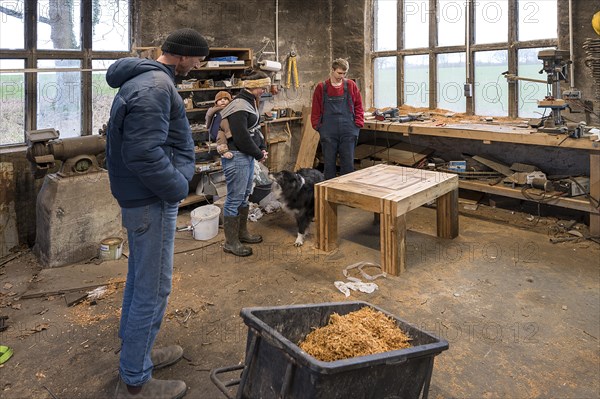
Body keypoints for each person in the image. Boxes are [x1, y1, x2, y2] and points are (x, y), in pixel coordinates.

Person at [105, 28, 209, 399]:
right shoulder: (155, 87)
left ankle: (137, 353)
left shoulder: (146, 79)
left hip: (142, 197)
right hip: (151, 199)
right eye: (197, 59)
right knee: (153, 287)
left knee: (139, 279)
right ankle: (135, 381)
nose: (199, 66)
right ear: (181, 56)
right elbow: (143, 154)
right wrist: (179, 187)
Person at [219, 69, 270, 257]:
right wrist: (258, 153)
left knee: (244, 196)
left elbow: (254, 129)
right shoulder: (240, 105)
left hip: (245, 156)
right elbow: (240, 137)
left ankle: (242, 233)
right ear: (253, 87)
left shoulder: (249, 102)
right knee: (234, 198)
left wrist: (260, 148)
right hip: (237, 156)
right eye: (262, 87)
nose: (264, 89)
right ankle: (231, 243)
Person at [311, 58, 364, 180]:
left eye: (344, 73)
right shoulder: (322, 87)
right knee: (329, 164)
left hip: (348, 129)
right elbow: (316, 109)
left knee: (348, 164)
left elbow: (358, 106)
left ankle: (346, 192)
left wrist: (358, 124)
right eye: (339, 73)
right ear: (332, 70)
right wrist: (318, 126)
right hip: (328, 130)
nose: (342, 76)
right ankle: (329, 194)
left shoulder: (351, 85)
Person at [205, 91, 233, 159]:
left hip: (225, 130)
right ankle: (223, 151)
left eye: (225, 99)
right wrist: (229, 134)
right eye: (220, 100)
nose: (223, 101)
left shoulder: (230, 109)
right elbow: (208, 119)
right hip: (218, 131)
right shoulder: (216, 111)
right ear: (216, 102)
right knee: (221, 136)